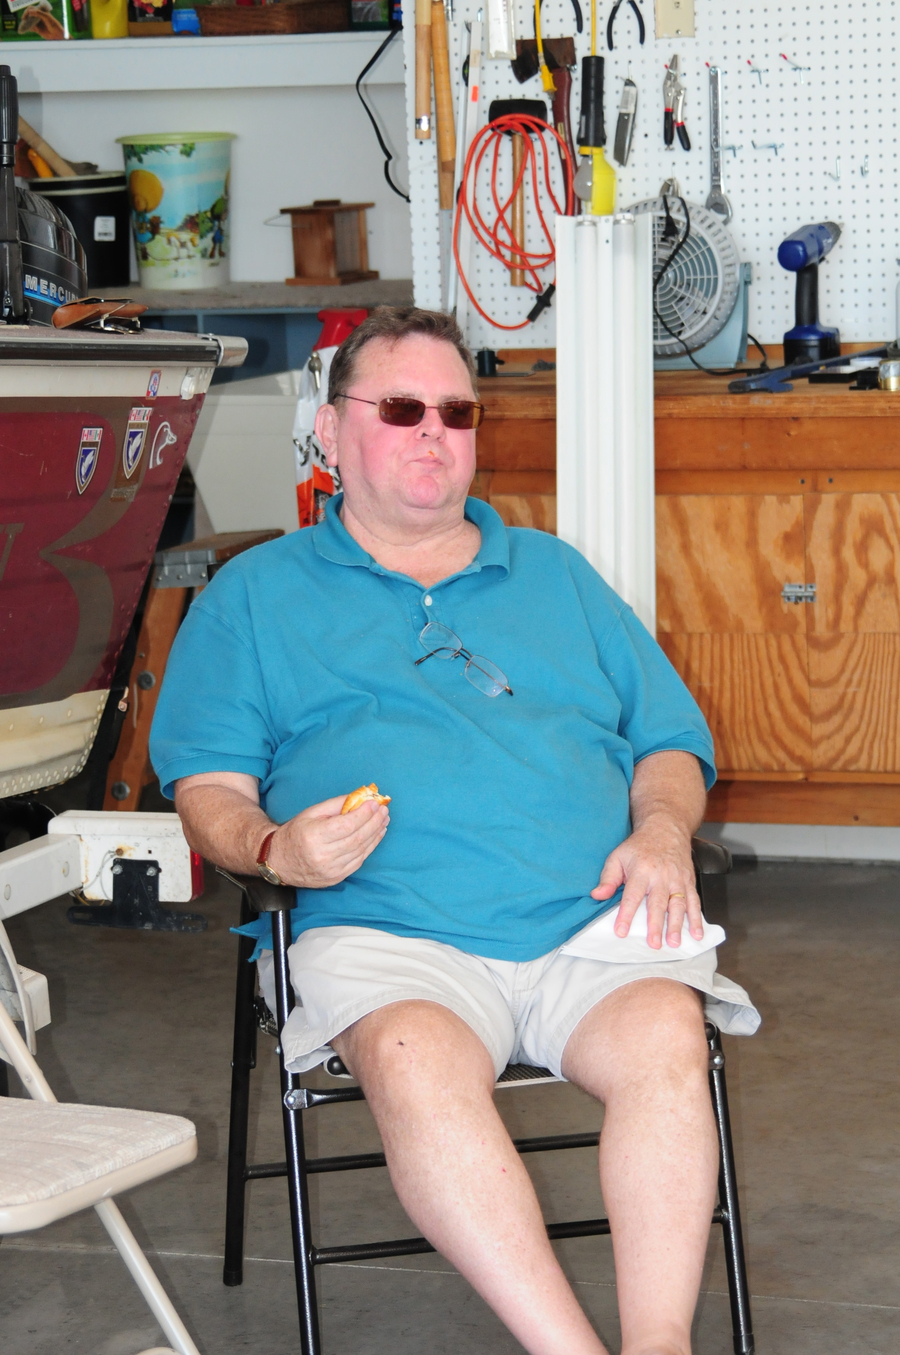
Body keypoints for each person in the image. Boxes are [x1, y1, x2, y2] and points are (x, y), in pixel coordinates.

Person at [151, 306, 758, 1355]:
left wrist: (662, 827)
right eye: (400, 408)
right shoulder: (252, 598)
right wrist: (275, 850)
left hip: (588, 918)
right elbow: (207, 788)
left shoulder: (556, 574)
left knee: (667, 1036)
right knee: (412, 1057)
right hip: (388, 934)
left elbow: (668, 739)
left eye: (456, 411)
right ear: (331, 432)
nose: (433, 431)